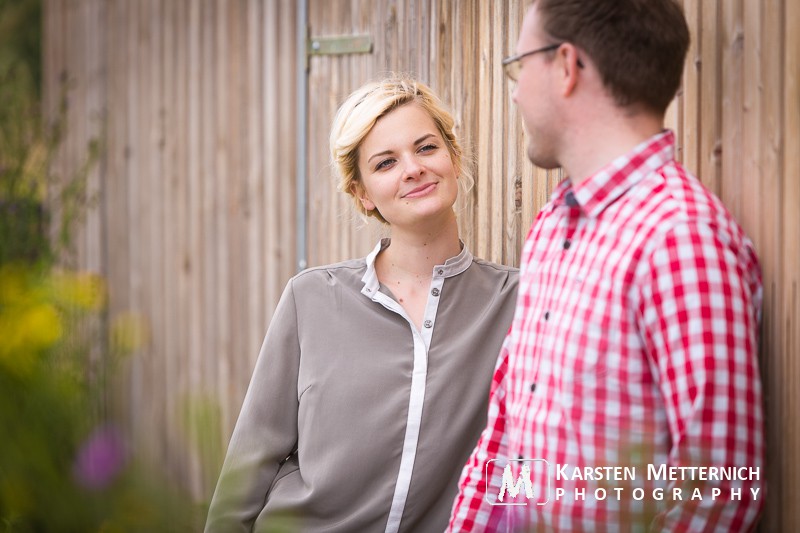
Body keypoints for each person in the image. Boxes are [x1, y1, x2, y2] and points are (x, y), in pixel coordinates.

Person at [448, 1, 765, 531]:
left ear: (567, 66)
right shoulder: (553, 227)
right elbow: (508, 439)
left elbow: (718, 493)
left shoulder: (680, 239)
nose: (516, 90)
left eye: (519, 67)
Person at [204, 77, 518, 532]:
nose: (412, 169)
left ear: (454, 157)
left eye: (426, 148)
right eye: (386, 162)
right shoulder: (309, 298)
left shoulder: (517, 303)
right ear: (362, 194)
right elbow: (249, 465)